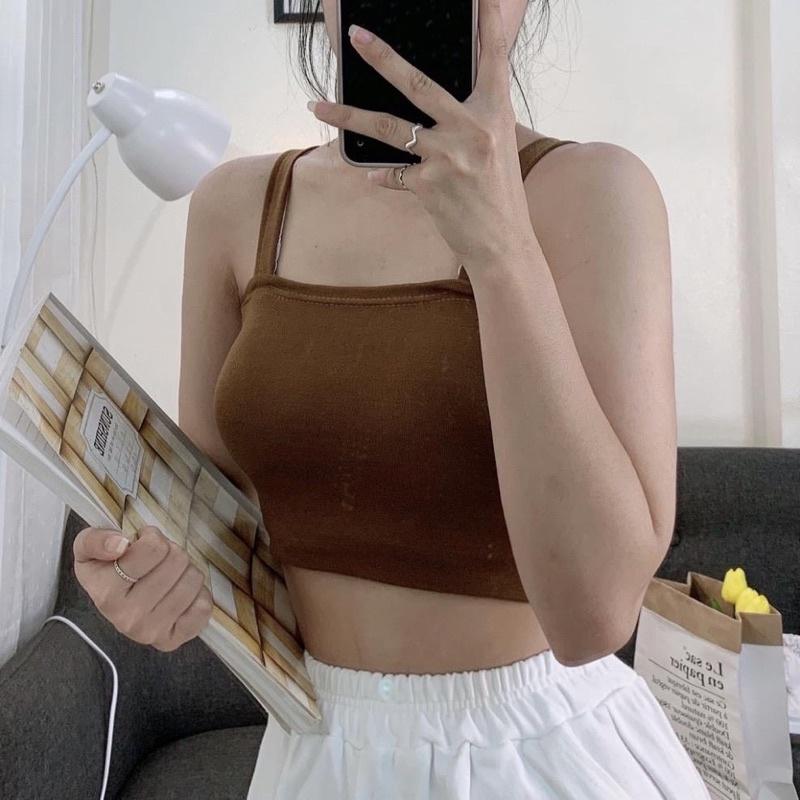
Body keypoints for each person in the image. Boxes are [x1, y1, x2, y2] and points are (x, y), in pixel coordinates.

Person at [74, 0, 713, 797]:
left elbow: (597, 618)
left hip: (538, 754)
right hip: (315, 750)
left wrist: (500, 246)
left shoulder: (595, 191)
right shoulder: (235, 205)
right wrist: (142, 574)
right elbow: (213, 527)